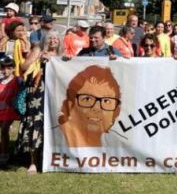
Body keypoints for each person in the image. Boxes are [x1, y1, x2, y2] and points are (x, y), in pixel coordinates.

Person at [16, 31, 62, 173]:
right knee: (35, 124)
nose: (53, 40)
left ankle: (49, 159)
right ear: (45, 41)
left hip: (54, 95)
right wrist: (38, 60)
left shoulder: (61, 56)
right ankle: (33, 162)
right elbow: (23, 67)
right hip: (37, 94)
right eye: (50, 38)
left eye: (56, 38)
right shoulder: (37, 51)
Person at [58, 65, 122, 148]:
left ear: (116, 112)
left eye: (106, 101)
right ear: (69, 106)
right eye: (87, 99)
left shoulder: (118, 146)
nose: (97, 108)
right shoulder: (50, 139)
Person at [0, 56, 19, 166]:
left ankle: (4, 155)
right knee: (3, 133)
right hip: (0, 110)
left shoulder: (18, 80)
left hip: (10, 111)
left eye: (8, 68)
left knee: (4, 131)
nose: (5, 70)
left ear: (13, 68)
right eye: (3, 68)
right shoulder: (0, 81)